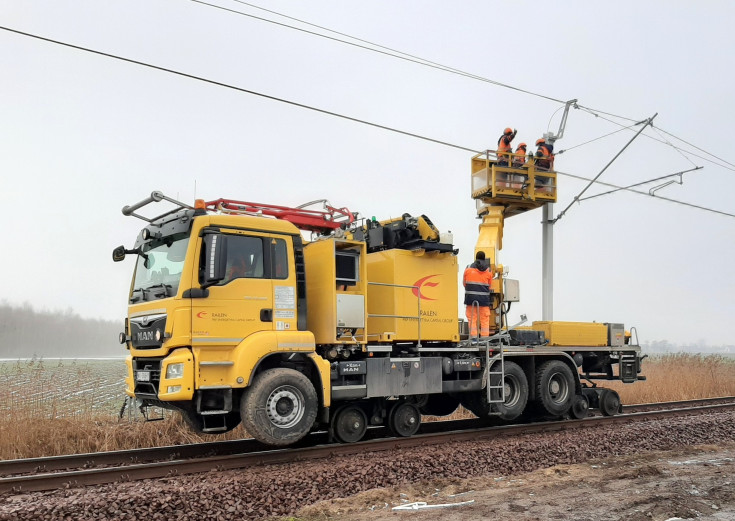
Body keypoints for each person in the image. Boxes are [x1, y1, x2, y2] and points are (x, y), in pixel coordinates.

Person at [463, 251, 494, 338]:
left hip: (471, 299)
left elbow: (464, 283)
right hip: (484, 300)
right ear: (484, 259)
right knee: (484, 319)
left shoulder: (468, 268)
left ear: (476, 258)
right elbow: (489, 286)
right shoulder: (489, 270)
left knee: (472, 318)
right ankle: (484, 339)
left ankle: (473, 338)